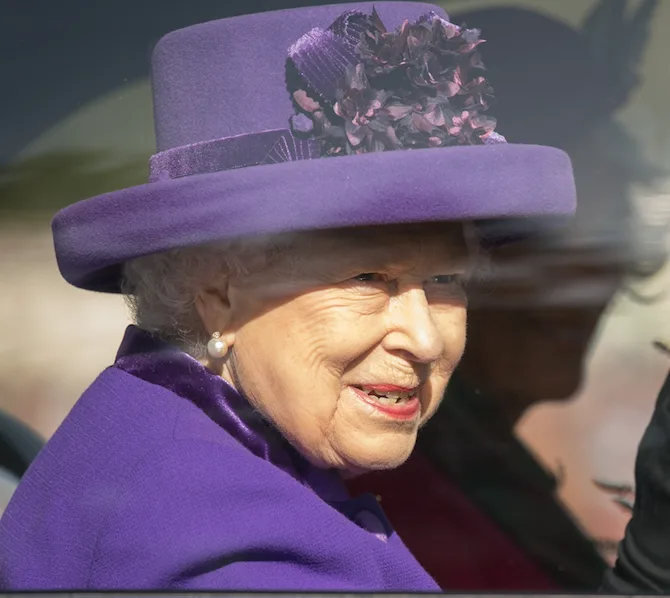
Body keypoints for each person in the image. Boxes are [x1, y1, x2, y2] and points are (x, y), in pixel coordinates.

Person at [0, 2, 576, 591]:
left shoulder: (163, 434)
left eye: (444, 280)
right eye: (367, 279)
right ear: (217, 292)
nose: (426, 339)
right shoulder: (238, 552)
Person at [346, 0, 665, 591]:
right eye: (538, 245)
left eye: (603, 241)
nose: (581, 290)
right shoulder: (380, 506)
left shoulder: (474, 469)